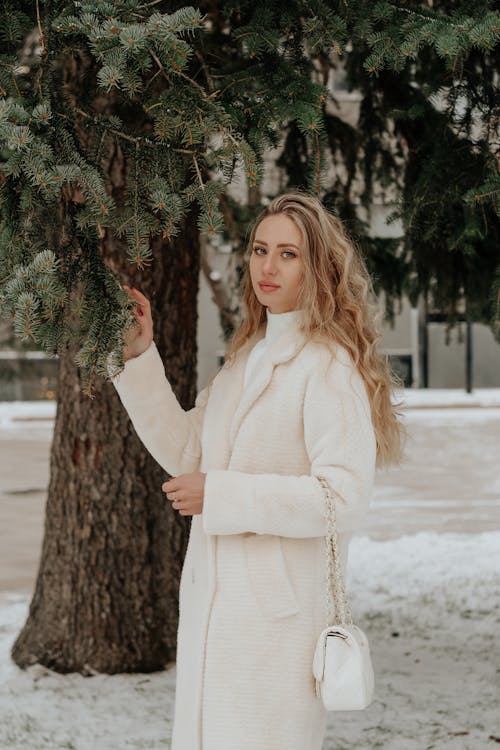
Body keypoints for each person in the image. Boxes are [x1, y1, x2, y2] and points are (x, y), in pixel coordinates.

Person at [108, 191, 403, 750]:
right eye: (261, 249)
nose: (268, 266)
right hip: (214, 616)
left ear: (317, 266)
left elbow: (342, 497)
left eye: (288, 254)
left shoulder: (328, 366)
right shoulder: (246, 358)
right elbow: (190, 452)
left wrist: (222, 497)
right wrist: (139, 358)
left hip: (274, 628)